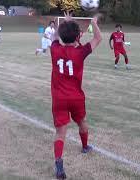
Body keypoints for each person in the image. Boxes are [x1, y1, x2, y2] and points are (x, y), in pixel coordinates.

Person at [50, 12, 102, 179]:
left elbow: (56, 36)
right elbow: (98, 39)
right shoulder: (80, 51)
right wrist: (93, 23)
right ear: (78, 36)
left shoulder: (55, 49)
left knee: (60, 133)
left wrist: (64, 23)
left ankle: (59, 162)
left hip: (59, 98)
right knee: (82, 122)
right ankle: (85, 146)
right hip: (76, 97)